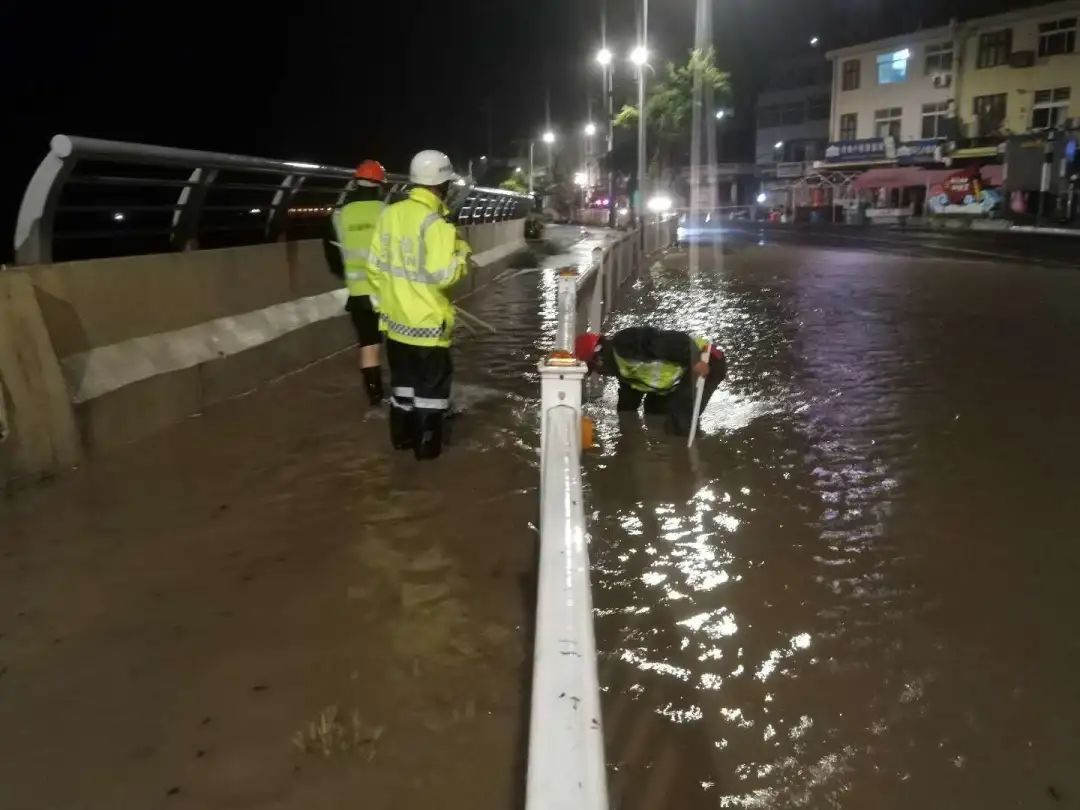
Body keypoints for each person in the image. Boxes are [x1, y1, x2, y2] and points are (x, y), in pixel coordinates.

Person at [368, 150, 472, 460]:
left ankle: (401, 439)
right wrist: (462, 254)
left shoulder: (389, 215)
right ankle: (426, 452)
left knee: (402, 388)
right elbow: (444, 276)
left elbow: (374, 268)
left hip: (396, 324)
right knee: (431, 395)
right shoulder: (436, 225)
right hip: (427, 326)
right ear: (441, 185)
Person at [574, 327, 726, 437]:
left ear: (598, 359)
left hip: (705, 361)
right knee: (653, 412)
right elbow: (629, 399)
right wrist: (625, 426)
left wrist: (696, 361)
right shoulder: (618, 365)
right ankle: (663, 460)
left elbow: (674, 339)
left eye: (594, 368)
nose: (598, 373)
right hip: (679, 377)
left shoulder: (628, 343)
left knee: (679, 417)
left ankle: (689, 460)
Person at [323, 159, 388, 406]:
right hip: (390, 293)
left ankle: (375, 399)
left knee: (369, 345)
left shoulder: (338, 216)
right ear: (381, 185)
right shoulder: (388, 212)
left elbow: (334, 261)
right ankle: (405, 398)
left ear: (355, 182)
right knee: (399, 342)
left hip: (359, 294)